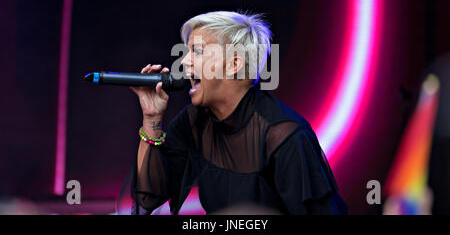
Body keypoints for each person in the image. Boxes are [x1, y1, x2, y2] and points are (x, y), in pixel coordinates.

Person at [119, 11, 347, 215]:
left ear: (234, 64)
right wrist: (152, 118)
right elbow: (148, 197)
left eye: (196, 51)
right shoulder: (195, 122)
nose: (185, 62)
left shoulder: (283, 135)